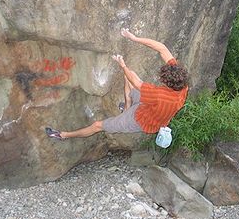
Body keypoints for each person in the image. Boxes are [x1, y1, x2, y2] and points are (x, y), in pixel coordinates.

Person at [45, 28, 189, 139]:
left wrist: (123, 65)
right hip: (153, 109)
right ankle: (127, 107)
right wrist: (134, 38)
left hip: (142, 120)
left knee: (97, 125)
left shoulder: (159, 95)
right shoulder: (182, 86)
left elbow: (137, 82)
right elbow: (162, 48)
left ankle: (63, 135)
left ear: (167, 82)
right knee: (128, 78)